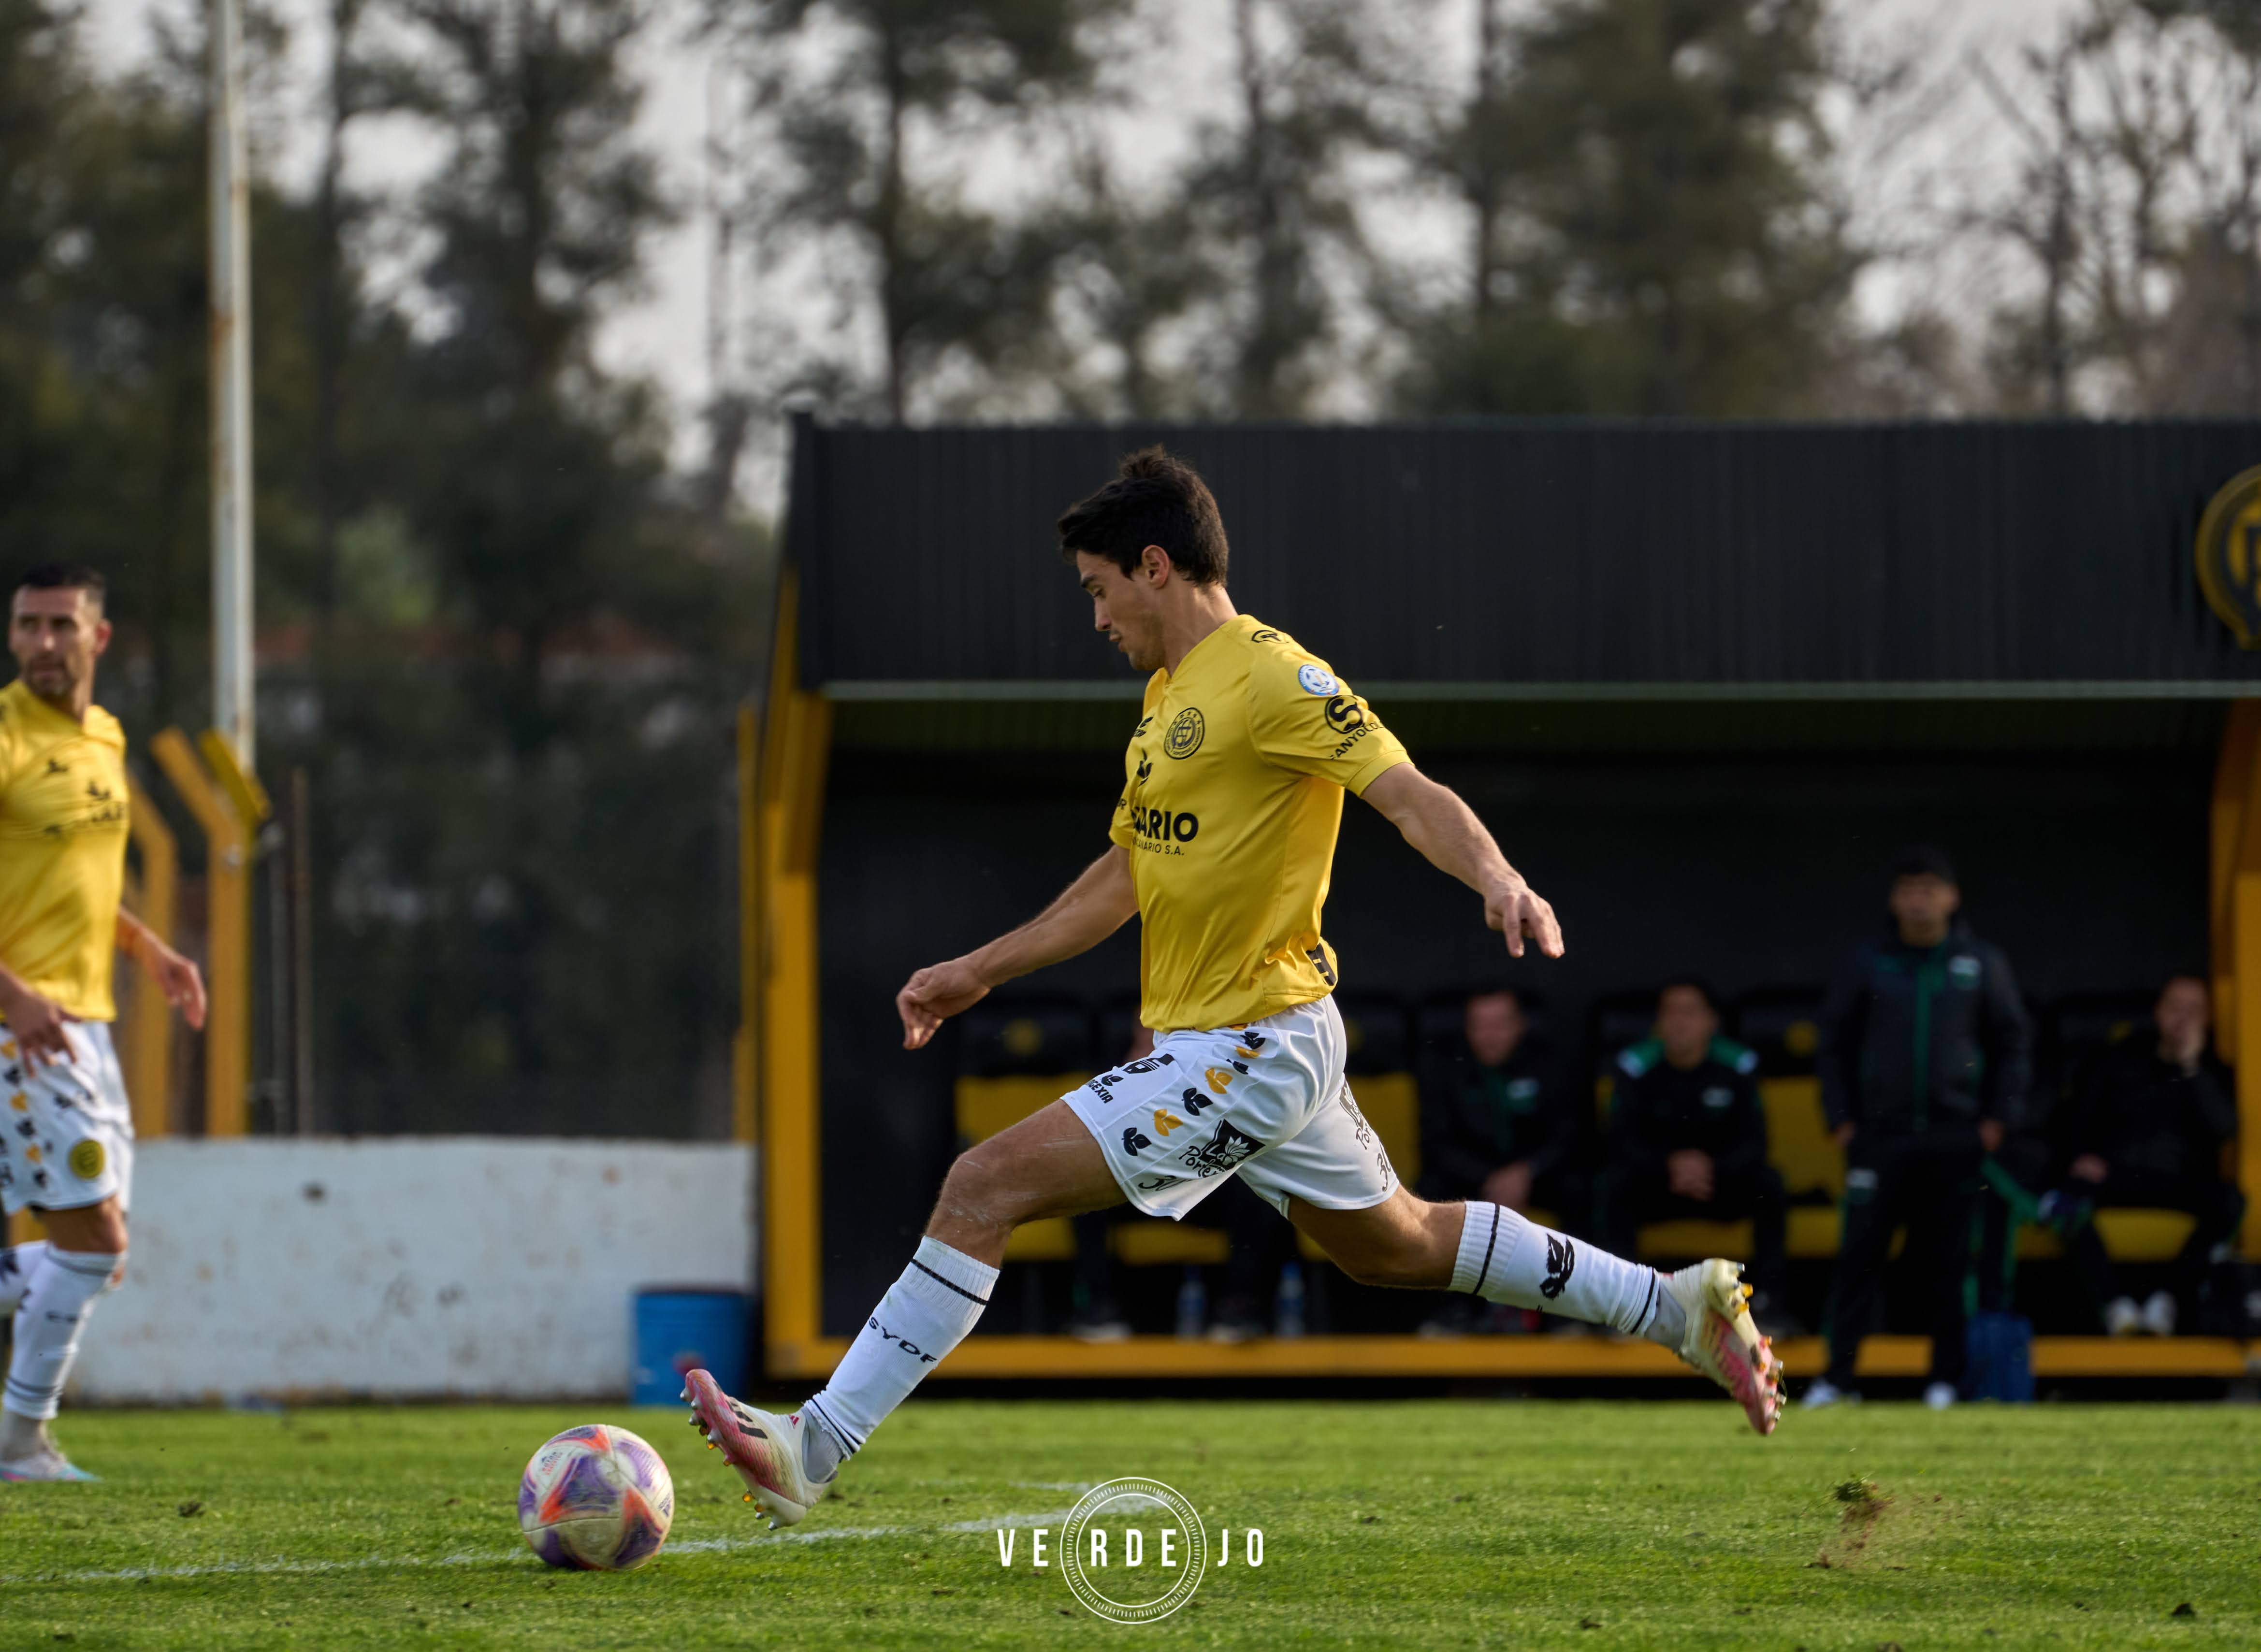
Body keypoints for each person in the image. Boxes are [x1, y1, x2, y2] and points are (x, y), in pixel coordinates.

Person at [682, 447, 1782, 1525]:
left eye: (1099, 590)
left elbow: (1406, 791)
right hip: (1229, 1045)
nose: (1096, 618)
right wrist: (978, 969)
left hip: (1254, 1045)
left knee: (982, 1185)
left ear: (1154, 565)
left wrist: (1498, 876)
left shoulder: (1272, 677)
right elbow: (1123, 875)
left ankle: (812, 1446)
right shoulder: (1166, 699)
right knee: (1392, 1244)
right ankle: (1674, 1306)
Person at [0, 564, 206, 1480]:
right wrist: (14, 996)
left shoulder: (105, 738)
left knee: (79, 1250)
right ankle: (18, 1440)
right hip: (22, 1025)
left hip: (90, 1025)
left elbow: (79, 886)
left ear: (99, 636)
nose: (44, 643)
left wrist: (149, 947)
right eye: (28, 625)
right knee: (96, 1241)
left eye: (60, 625)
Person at [1806, 846, 2031, 1412]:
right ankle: (1838, 1379)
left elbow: (2013, 1043)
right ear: (1894, 898)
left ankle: (1945, 1381)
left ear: (1951, 897)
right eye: (1909, 887)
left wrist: (1997, 1120)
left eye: (1930, 887)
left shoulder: (1980, 961)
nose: (1919, 898)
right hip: (1878, 1138)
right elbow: (1831, 1043)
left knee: (1949, 1262)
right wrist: (1839, 1121)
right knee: (1859, 1257)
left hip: (1956, 1136)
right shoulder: (1868, 961)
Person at [2045, 975, 2242, 1336]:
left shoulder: (2213, 1069)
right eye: (2175, 1007)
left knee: (2231, 1201)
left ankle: (2164, 1298)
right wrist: (2079, 1156)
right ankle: (2115, 1304)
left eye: (2194, 1010)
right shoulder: (2118, 1057)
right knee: (2063, 1200)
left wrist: (2190, 1067)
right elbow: (2073, 1117)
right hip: (2114, 1175)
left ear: (2208, 1019)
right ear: (2158, 1011)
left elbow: (2224, 1129)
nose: (2182, 1018)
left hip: (2177, 1180)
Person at [1598, 980, 1795, 1336]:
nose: (1679, 1022)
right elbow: (1621, 1140)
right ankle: (1621, 1306)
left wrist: (1712, 1168)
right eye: (1670, 1012)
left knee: (1769, 1183)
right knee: (1610, 1185)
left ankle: (1769, 1305)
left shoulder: (1739, 1064)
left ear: (1711, 1021)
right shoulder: (1634, 1066)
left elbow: (1754, 1142)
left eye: (1689, 1012)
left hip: (1719, 1188)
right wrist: (1668, 1167)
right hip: (1658, 1187)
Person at [1416, 985, 1588, 1335]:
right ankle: (1451, 1313)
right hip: (1472, 1182)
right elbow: (1436, 1143)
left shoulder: (1550, 1063)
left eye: (1500, 1024)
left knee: (1585, 1188)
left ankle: (1568, 1315)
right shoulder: (1445, 1068)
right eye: (1480, 1025)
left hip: (1538, 1179)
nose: (1490, 1035)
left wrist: (1528, 1171)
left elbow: (1571, 1134)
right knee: (1428, 1194)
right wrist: (1487, 1179)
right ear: (1468, 1029)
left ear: (1520, 1025)